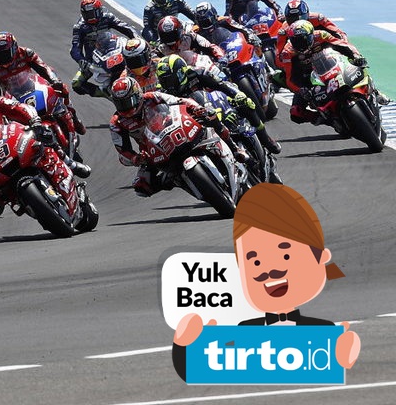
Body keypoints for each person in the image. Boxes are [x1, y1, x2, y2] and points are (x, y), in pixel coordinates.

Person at [172, 183, 361, 381]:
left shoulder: (322, 332)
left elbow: (336, 358)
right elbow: (203, 365)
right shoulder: (245, 332)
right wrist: (185, 345)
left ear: (321, 257)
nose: (269, 270)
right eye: (255, 262)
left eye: (285, 256)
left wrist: (342, 353)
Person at [108, 77, 246, 198]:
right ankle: (177, 180)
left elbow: (180, 101)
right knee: (141, 186)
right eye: (120, 103)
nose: (125, 107)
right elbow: (122, 151)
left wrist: (196, 109)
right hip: (154, 152)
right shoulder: (116, 122)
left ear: (138, 95)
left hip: (176, 130)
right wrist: (136, 158)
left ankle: (235, 149)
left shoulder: (151, 97)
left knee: (210, 116)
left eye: (128, 101)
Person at [0, 77, 91, 180]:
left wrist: (34, 121)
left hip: (10, 140)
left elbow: (18, 108)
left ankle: (69, 162)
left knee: (43, 133)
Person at [154, 54, 282, 154]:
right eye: (164, 81)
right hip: (192, 119)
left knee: (247, 104)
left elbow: (221, 84)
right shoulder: (163, 93)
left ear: (181, 72)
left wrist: (237, 94)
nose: (168, 85)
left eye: (170, 80)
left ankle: (266, 139)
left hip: (215, 104)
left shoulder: (197, 73)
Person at [276, 20, 379, 125]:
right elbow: (290, 78)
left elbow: (342, 45)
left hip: (332, 66)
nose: (300, 44)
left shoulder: (321, 35)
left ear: (311, 35)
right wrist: (301, 89)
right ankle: (327, 120)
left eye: (303, 40)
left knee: (358, 65)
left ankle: (375, 92)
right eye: (296, 41)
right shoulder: (287, 53)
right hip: (308, 81)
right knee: (296, 113)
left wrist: (356, 56)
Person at [0, 31, 86, 135]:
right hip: (13, 97)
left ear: (14, 48)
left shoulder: (26, 53)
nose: (2, 57)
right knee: (6, 121)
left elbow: (44, 68)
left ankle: (74, 117)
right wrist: (1, 111)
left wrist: (55, 81)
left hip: (32, 86)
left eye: (5, 53)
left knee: (61, 89)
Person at [70, 0, 139, 67]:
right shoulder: (79, 27)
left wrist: (137, 38)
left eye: (91, 14)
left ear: (98, 10)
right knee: (80, 74)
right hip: (93, 63)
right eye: (87, 14)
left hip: (114, 55)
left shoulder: (108, 17)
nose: (90, 17)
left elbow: (126, 28)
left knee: (133, 63)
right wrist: (82, 61)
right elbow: (75, 49)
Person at [276, 0, 348, 53]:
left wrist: (344, 45)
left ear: (307, 14)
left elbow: (339, 33)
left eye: (300, 18)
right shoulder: (284, 31)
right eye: (292, 19)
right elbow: (279, 55)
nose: (297, 23)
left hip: (323, 49)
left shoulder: (318, 19)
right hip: (301, 56)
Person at [156, 15, 228, 68]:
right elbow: (153, 61)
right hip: (175, 77)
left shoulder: (190, 37)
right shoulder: (160, 48)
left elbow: (210, 47)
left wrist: (221, 57)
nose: (170, 38)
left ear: (180, 31)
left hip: (197, 69)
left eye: (173, 34)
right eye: (166, 36)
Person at [192, 1, 263, 52]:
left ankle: (265, 63)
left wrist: (252, 37)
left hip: (234, 48)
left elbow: (242, 28)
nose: (206, 25)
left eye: (208, 21)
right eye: (202, 22)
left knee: (255, 47)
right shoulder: (195, 31)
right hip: (215, 58)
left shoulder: (224, 20)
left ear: (214, 16)